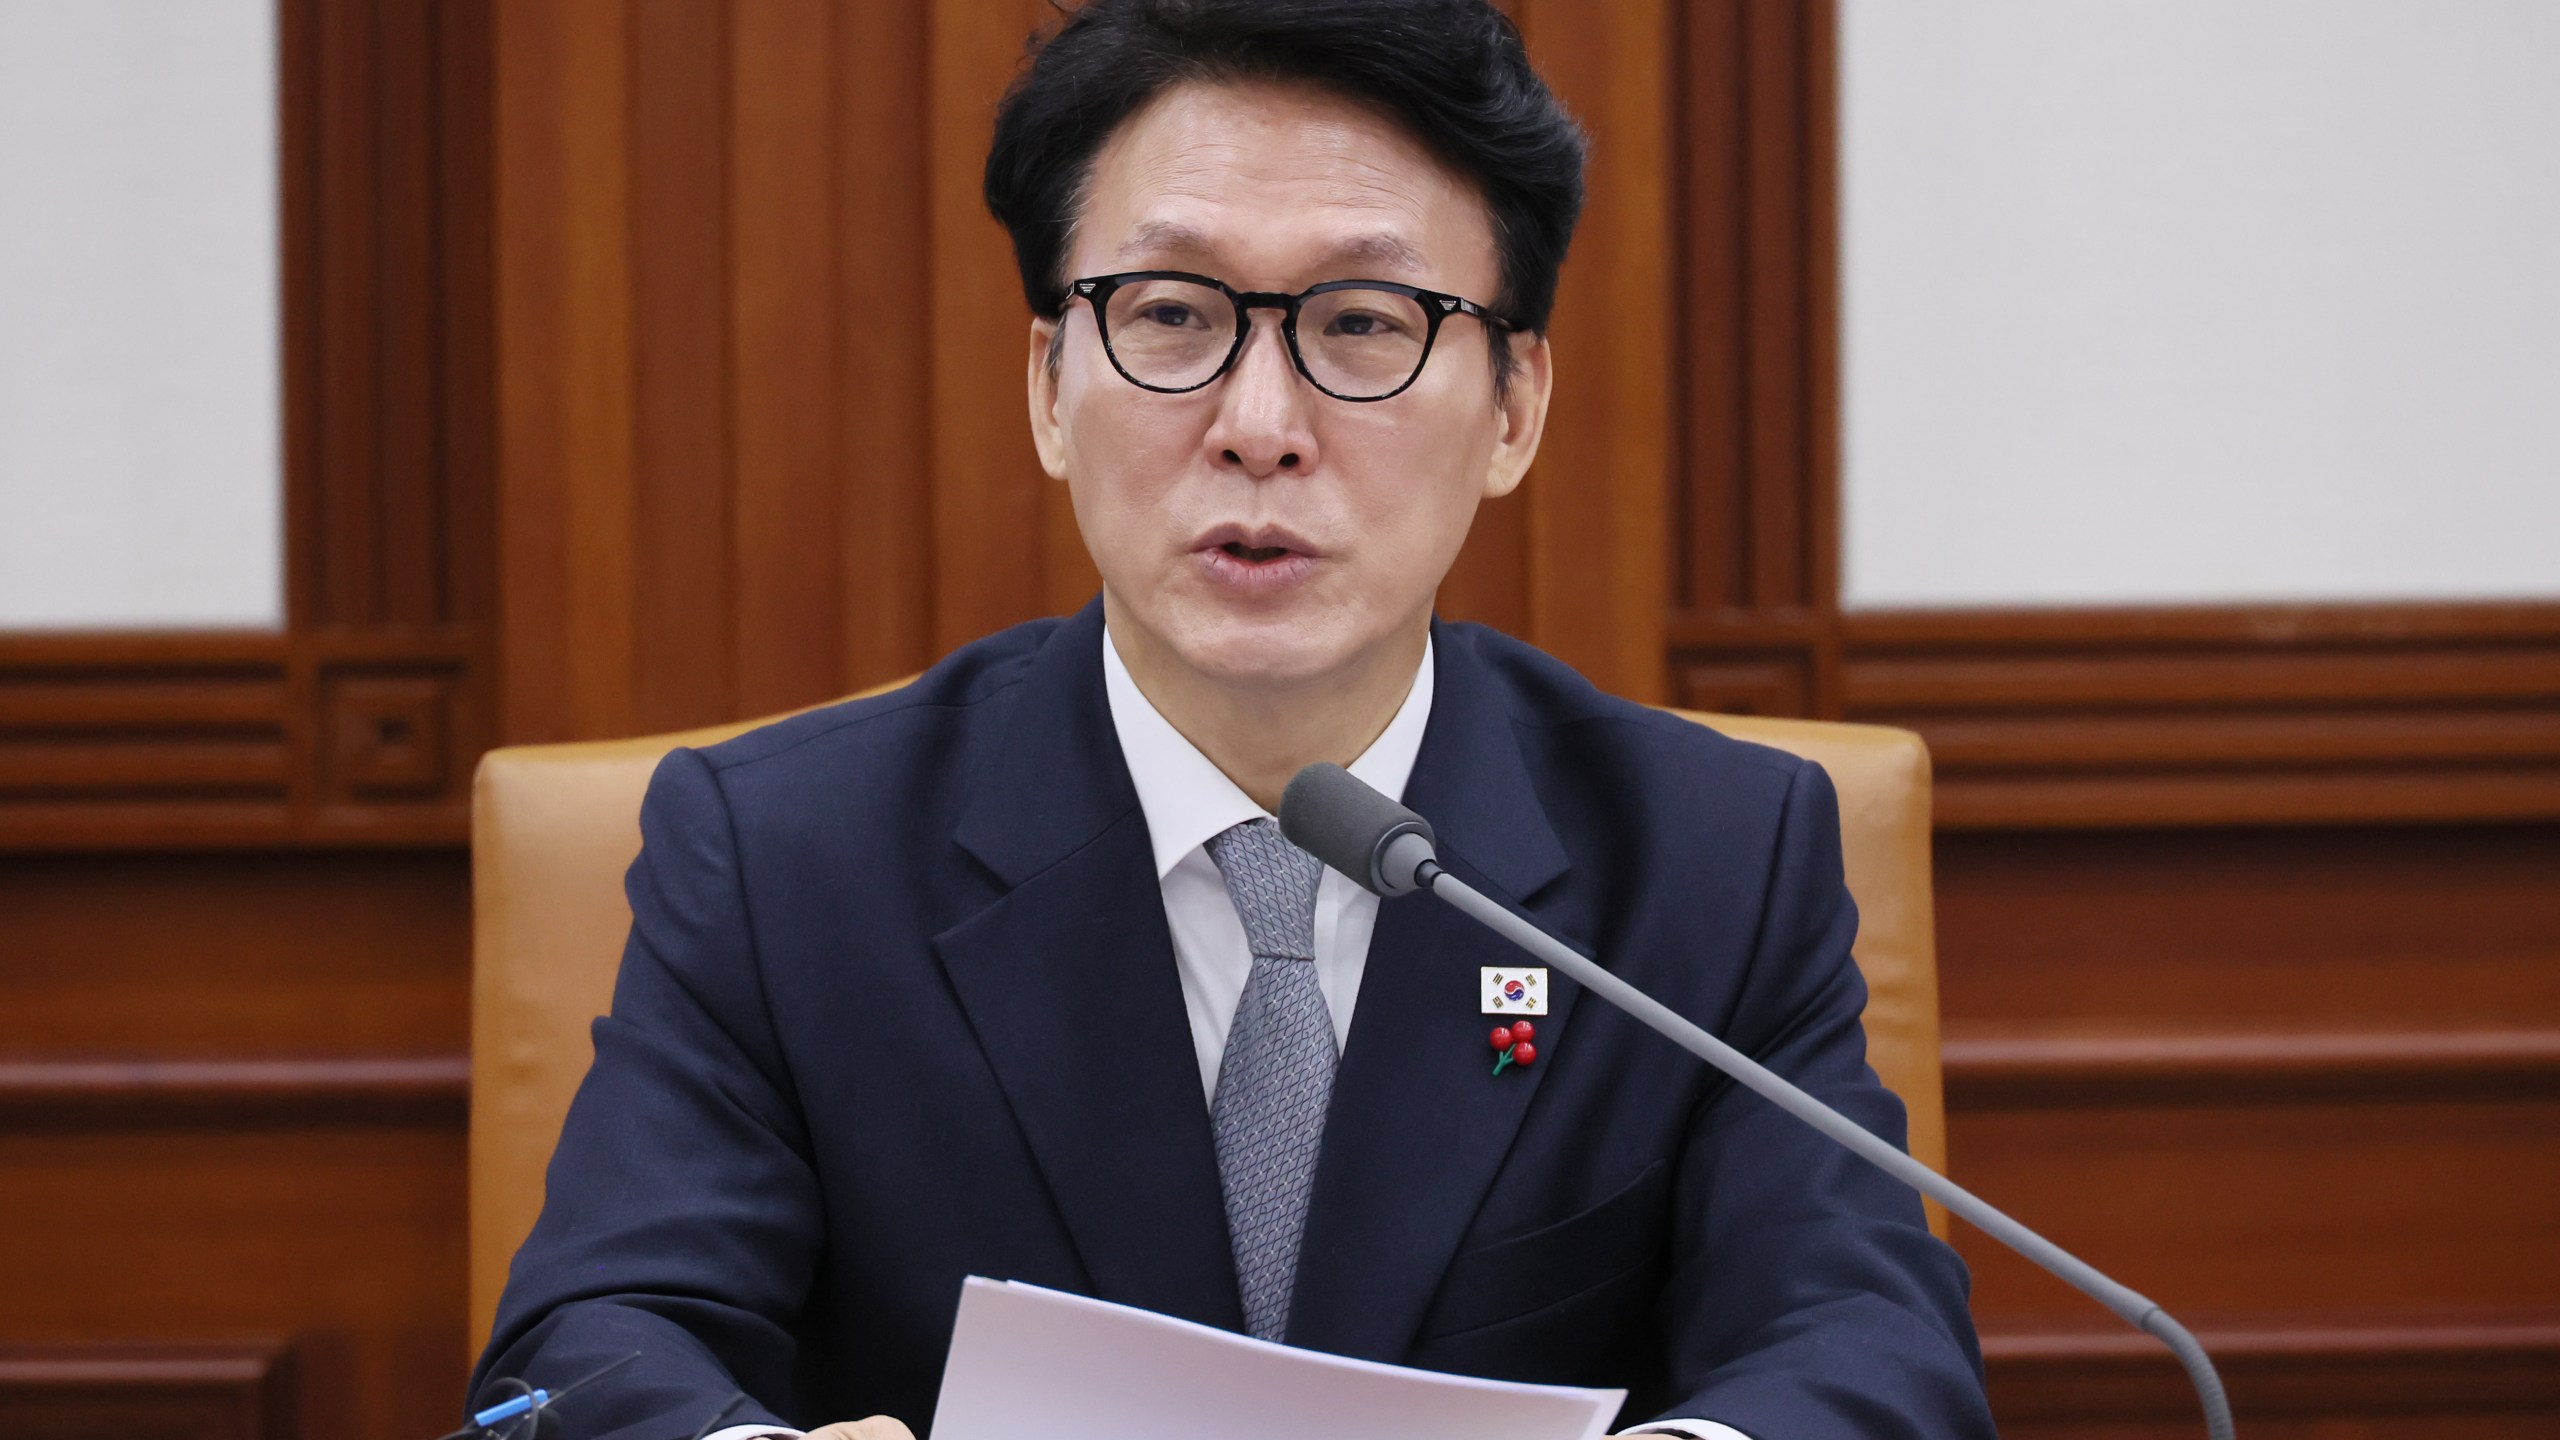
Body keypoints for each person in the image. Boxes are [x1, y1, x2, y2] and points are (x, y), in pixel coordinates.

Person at [472, 2, 1993, 1437]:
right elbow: (586, 1345)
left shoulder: (1715, 859)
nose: (1259, 427)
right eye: (1174, 314)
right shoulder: (784, 859)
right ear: (1050, 389)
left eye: (1362, 325)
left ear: (1516, 404)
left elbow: (1870, 1347)